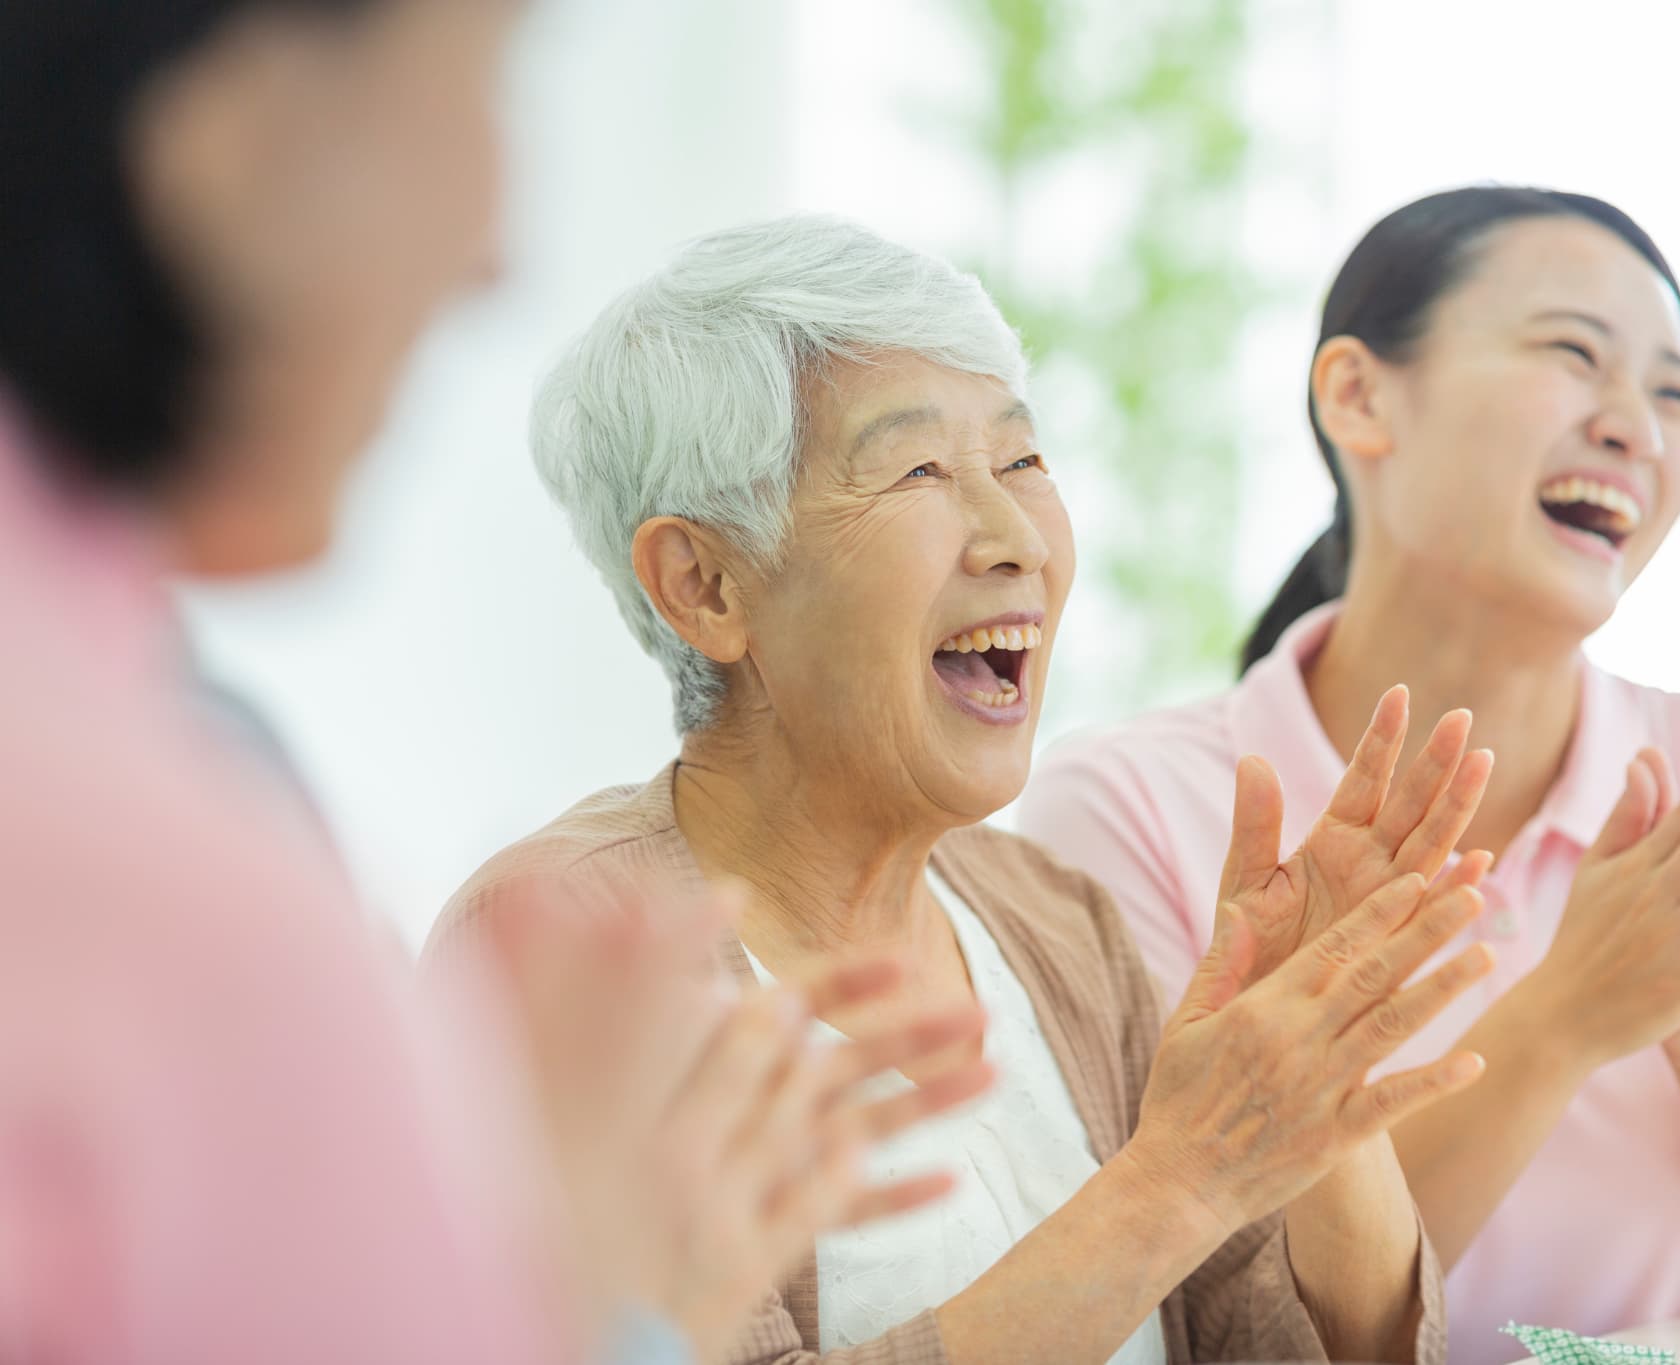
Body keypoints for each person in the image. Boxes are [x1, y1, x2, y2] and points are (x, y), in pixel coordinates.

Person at [0, 5, 987, 1362]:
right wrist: (592, 1294)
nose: (493, 254)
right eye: (479, 84)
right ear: (236, 131)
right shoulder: (196, 893)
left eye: (1025, 460)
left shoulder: (1055, 922)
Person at [433, 212, 1507, 1365]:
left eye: (1023, 460)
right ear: (703, 587)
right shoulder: (564, 947)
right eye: (918, 470)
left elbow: (1283, 1349)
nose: (1015, 539)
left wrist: (1313, 1073)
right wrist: (1174, 1184)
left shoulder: (1054, 919)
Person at [1016, 185, 1680, 1361]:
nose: (1636, 427)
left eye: (1674, 394)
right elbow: (1209, 1326)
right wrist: (1565, 1018)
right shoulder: (1131, 807)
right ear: (1359, 397)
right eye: (1574, 354)